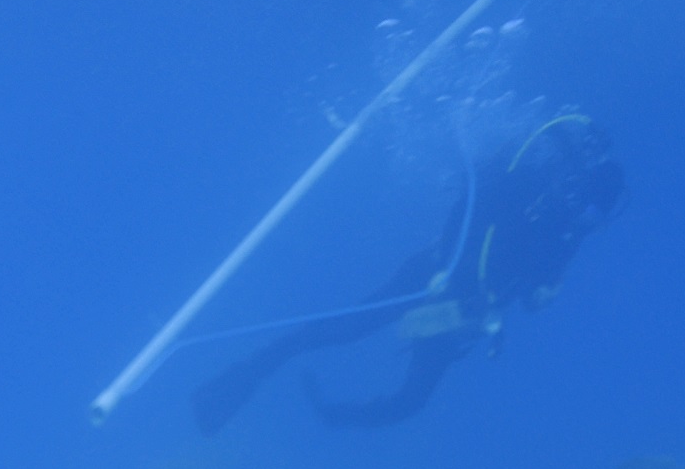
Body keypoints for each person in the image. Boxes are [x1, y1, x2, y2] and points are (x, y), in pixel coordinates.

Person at [193, 109, 624, 434]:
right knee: (346, 330)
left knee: (412, 400)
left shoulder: (568, 234)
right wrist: (447, 269)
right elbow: (468, 209)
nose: (587, 221)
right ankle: (243, 376)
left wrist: (539, 295)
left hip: (459, 314)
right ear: (575, 186)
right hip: (432, 276)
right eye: (588, 211)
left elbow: (532, 291)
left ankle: (331, 416)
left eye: (595, 219)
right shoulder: (527, 183)